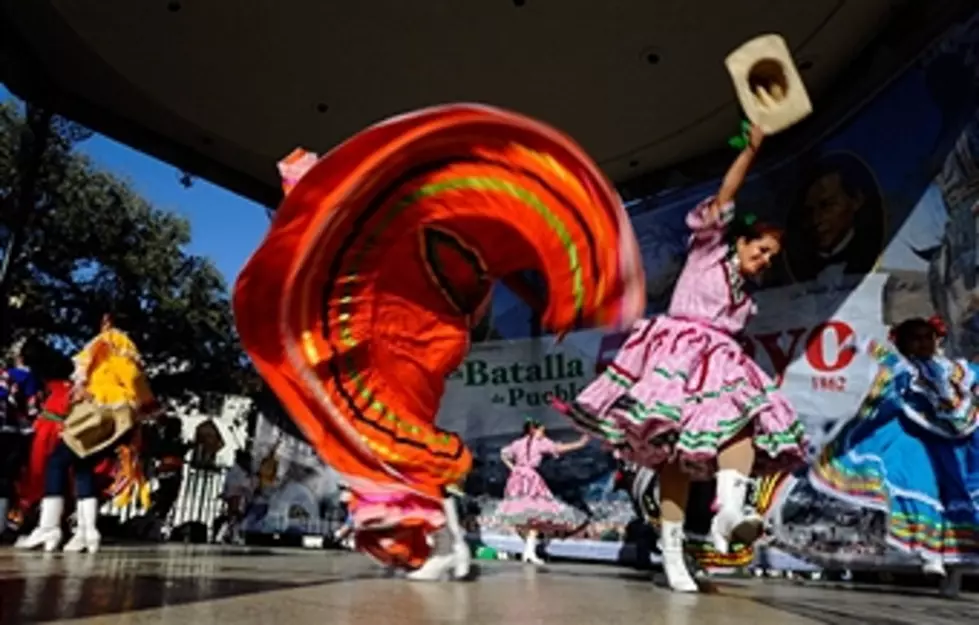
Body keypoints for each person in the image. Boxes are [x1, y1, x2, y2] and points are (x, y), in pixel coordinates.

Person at [232, 104, 645, 581]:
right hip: (414, 339)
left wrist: (559, 296)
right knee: (389, 453)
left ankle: (442, 539)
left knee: (387, 444)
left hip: (418, 339)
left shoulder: (405, 236)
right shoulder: (418, 236)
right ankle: (440, 540)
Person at [556, 124, 808, 592]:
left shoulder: (745, 302)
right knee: (673, 460)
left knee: (744, 425)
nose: (767, 259)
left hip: (721, 365)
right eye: (763, 249)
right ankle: (672, 555)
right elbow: (725, 196)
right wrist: (750, 151)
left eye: (773, 256)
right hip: (678, 357)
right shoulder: (708, 251)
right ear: (739, 240)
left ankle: (729, 512)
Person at [809, 318, 979, 580]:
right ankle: (929, 554)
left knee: (954, 493)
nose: (923, 343)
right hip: (914, 439)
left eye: (927, 337)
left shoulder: (954, 369)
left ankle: (948, 559)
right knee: (921, 487)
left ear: (937, 340)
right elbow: (877, 351)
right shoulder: (902, 367)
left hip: (950, 442)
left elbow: (972, 378)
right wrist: (857, 344)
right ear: (903, 342)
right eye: (915, 338)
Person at [17, 314, 159, 553]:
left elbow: (81, 368)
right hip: (123, 416)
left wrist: (82, 385)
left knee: (57, 461)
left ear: (108, 321)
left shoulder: (107, 340)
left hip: (100, 407)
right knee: (83, 466)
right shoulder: (131, 351)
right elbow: (136, 380)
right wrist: (148, 407)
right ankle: (87, 531)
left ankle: (48, 527)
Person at [495, 419, 589, 565]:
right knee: (535, 516)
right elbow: (559, 448)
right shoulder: (540, 443)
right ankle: (529, 552)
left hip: (517, 479)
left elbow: (503, 454)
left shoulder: (518, 443)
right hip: (530, 479)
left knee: (530, 518)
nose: (543, 432)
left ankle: (528, 552)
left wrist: (514, 468)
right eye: (541, 430)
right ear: (533, 429)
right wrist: (579, 443)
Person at [782, 153, 884, 285]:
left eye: (827, 206)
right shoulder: (802, 264)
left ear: (856, 200)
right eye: (809, 211)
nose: (815, 220)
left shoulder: (873, 253)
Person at [0, 339, 46, 534]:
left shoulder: (8, 376)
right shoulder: (33, 379)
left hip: (5, 428)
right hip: (18, 432)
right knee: (7, 477)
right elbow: (33, 407)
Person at [216, 450, 256, 545]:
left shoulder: (239, 471)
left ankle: (231, 534)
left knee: (237, 516)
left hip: (238, 495)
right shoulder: (237, 471)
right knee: (235, 515)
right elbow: (243, 484)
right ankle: (224, 534)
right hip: (236, 494)